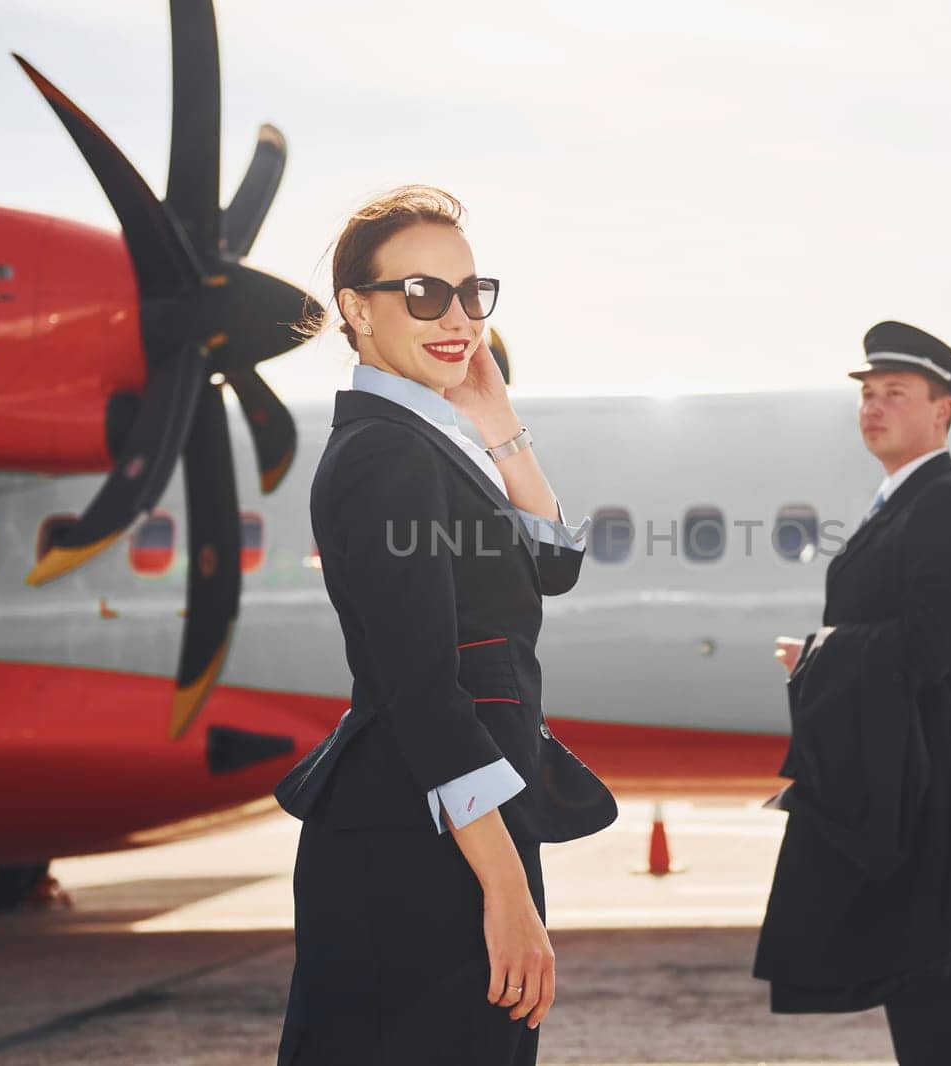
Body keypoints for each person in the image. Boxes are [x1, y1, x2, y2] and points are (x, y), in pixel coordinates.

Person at [272, 185, 617, 1065]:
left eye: (470, 293)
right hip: (420, 854)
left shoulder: (426, 441)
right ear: (357, 310)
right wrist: (507, 893)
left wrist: (497, 418)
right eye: (422, 294)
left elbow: (554, 564)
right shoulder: (385, 455)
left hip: (448, 831)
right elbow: (422, 692)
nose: (455, 315)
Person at [754, 320, 951, 1065]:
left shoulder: (947, 508)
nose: (873, 408)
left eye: (895, 394)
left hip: (927, 777)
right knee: (920, 978)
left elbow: (933, 648)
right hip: (900, 768)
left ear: (942, 411)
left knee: (936, 977)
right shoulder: (900, 505)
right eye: (868, 395)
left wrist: (820, 654)